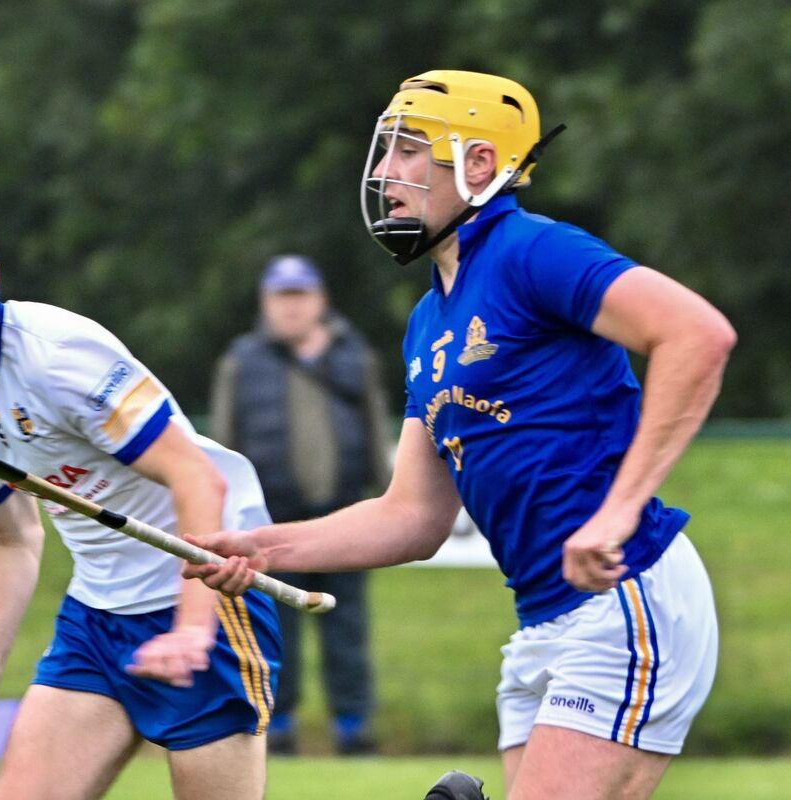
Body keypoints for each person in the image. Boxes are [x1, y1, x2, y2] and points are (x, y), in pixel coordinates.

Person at [184, 70, 736, 800]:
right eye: (386, 152)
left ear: (480, 164)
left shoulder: (533, 252)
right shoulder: (426, 323)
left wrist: (618, 509)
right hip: (542, 622)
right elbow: (410, 517)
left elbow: (698, 335)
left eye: (410, 151)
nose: (385, 173)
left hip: (627, 598)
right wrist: (263, 548)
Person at [0, 191, 281, 800]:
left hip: (206, 596)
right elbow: (11, 537)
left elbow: (199, 478)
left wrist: (193, 629)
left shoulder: (60, 360)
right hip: (97, 618)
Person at [210, 254, 390, 756]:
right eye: (281, 298)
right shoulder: (241, 362)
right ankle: (278, 725)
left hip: (346, 517)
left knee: (349, 630)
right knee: (276, 629)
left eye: (300, 297)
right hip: (271, 525)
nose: (291, 309)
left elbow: (377, 431)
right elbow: (224, 444)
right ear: (266, 305)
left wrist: (386, 498)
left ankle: (355, 729)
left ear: (320, 301)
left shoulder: (355, 356)